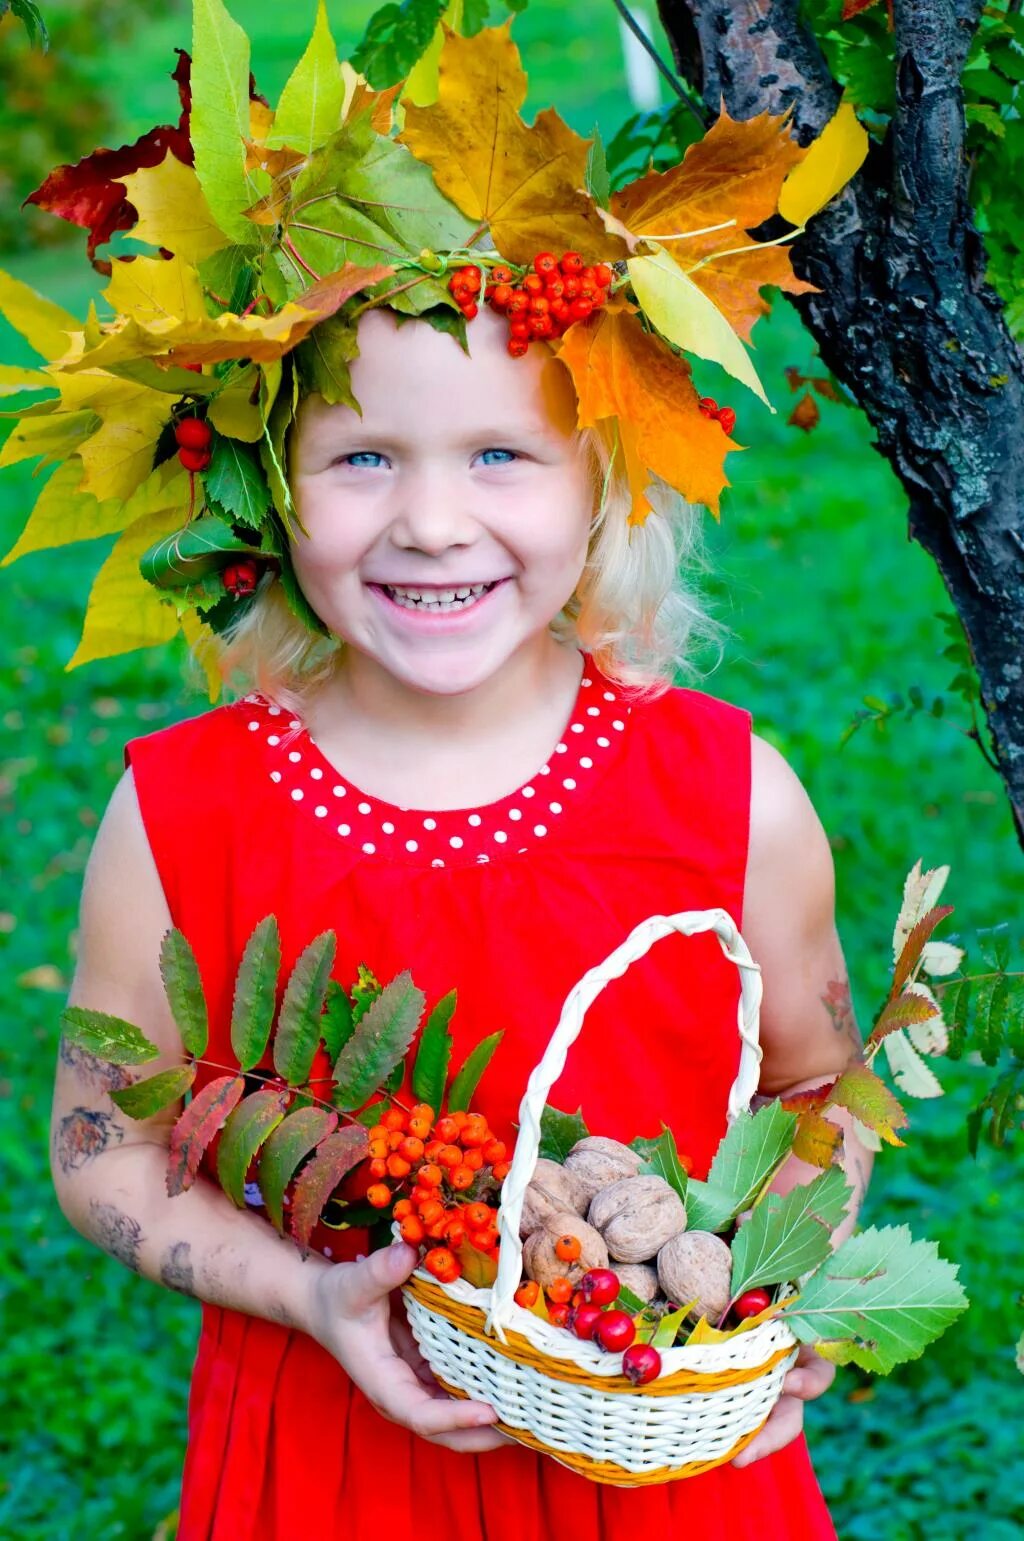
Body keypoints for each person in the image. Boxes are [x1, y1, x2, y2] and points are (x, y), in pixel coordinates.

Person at [10, 16, 874, 1540]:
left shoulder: (733, 798)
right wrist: (308, 1292)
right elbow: (103, 1149)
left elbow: (823, 1086)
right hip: (334, 1464)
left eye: (499, 456)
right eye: (361, 461)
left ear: (606, 478)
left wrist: (783, 1277)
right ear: (266, 490)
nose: (428, 524)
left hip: (659, 1460)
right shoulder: (180, 815)